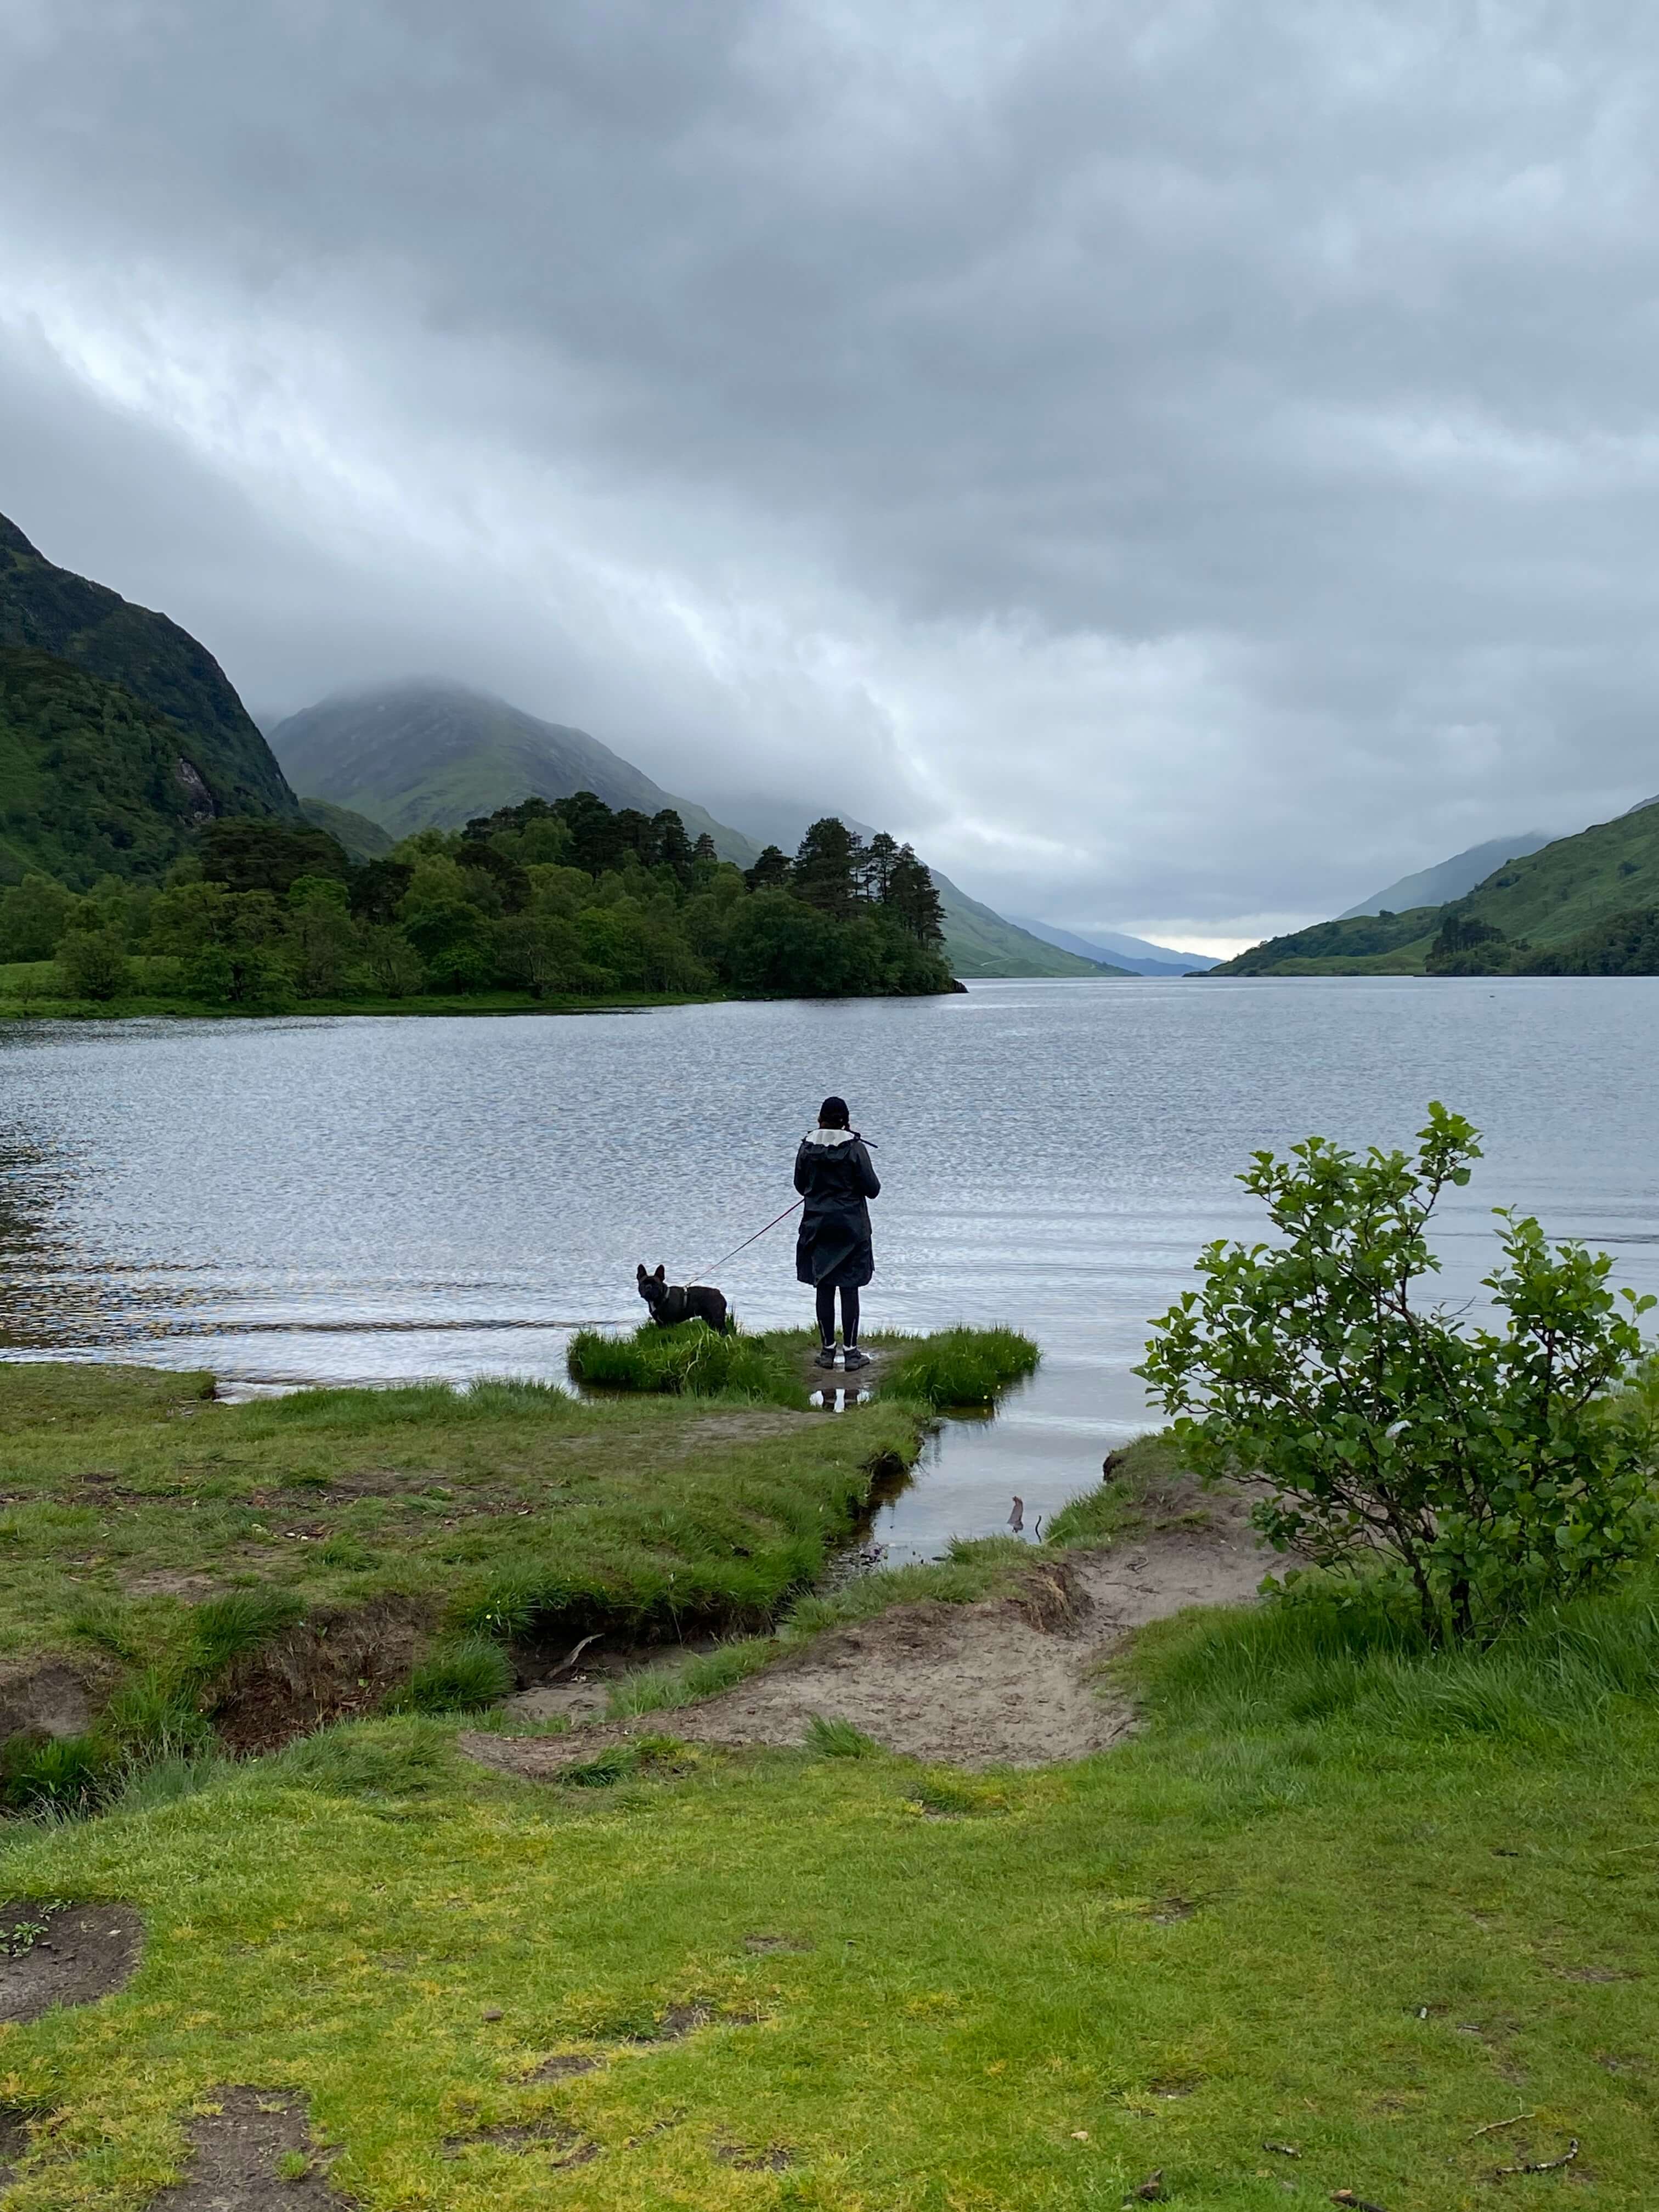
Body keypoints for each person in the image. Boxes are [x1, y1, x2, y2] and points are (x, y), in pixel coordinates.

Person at [794, 1095, 881, 1370]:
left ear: (820, 1118)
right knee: (849, 1287)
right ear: (846, 1121)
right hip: (851, 1228)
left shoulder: (806, 1148)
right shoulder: (855, 1149)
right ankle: (852, 1353)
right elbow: (873, 1189)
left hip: (817, 1226)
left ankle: (827, 1352)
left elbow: (799, 1186)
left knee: (824, 1286)